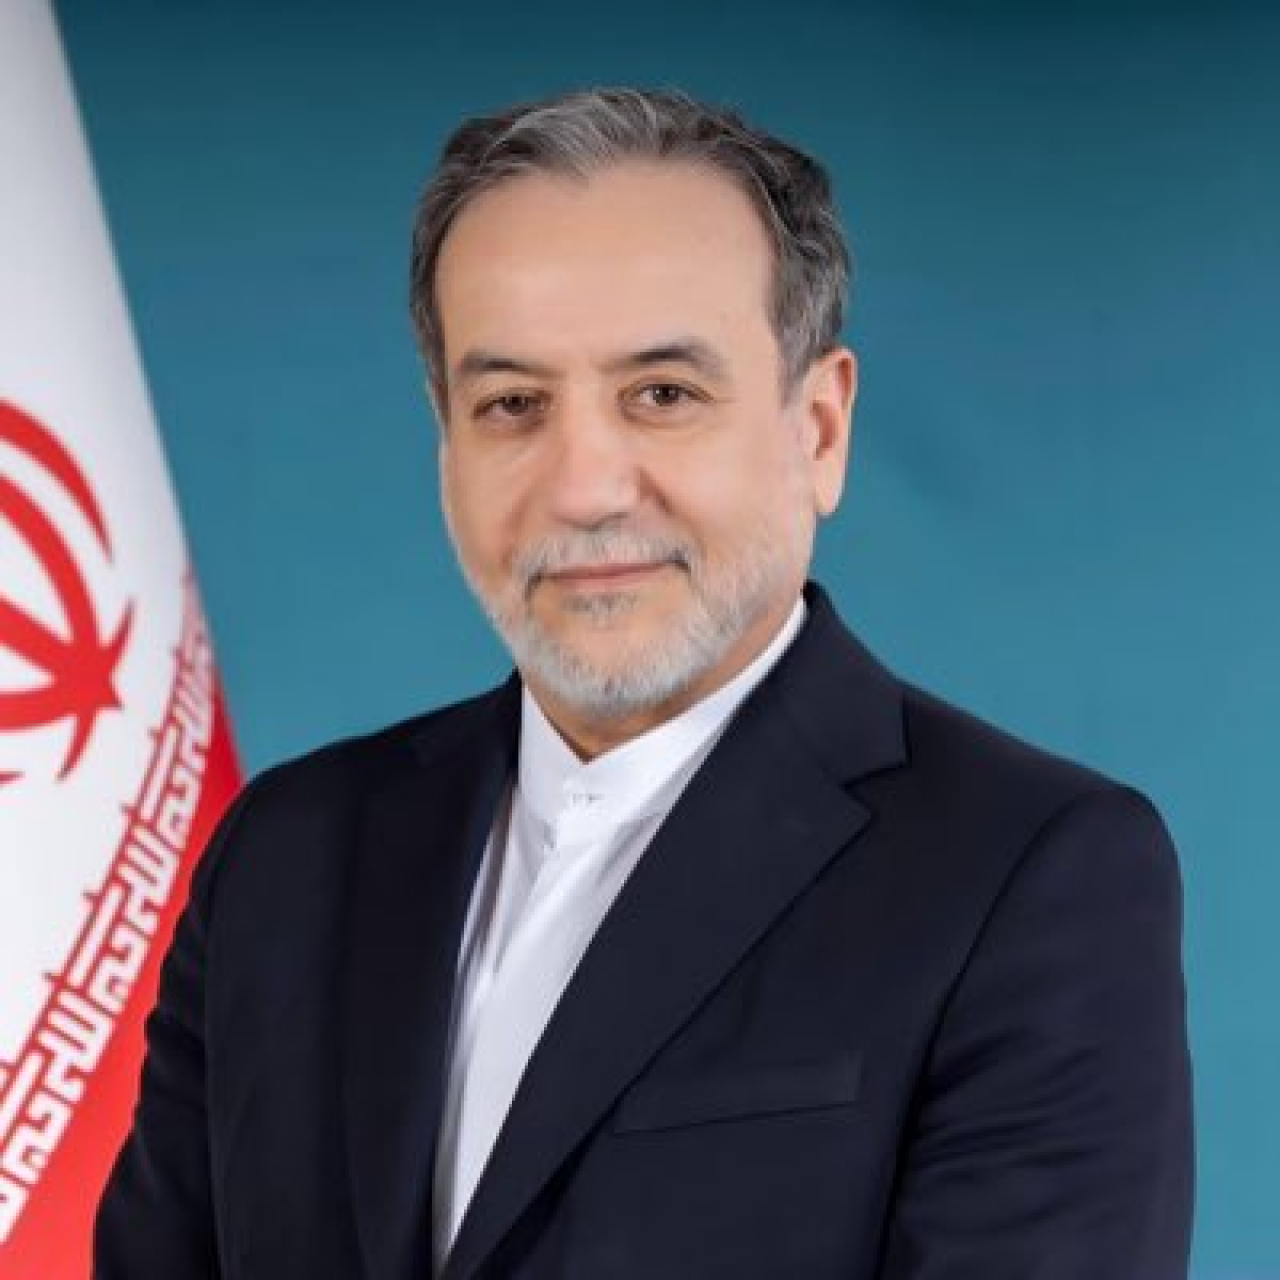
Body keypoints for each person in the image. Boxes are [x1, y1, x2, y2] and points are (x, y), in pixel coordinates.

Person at [94, 88, 1194, 1279]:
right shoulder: (285, 853)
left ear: (818, 429)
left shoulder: (1025, 872)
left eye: (661, 394)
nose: (583, 487)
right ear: (445, 442)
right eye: (512, 404)